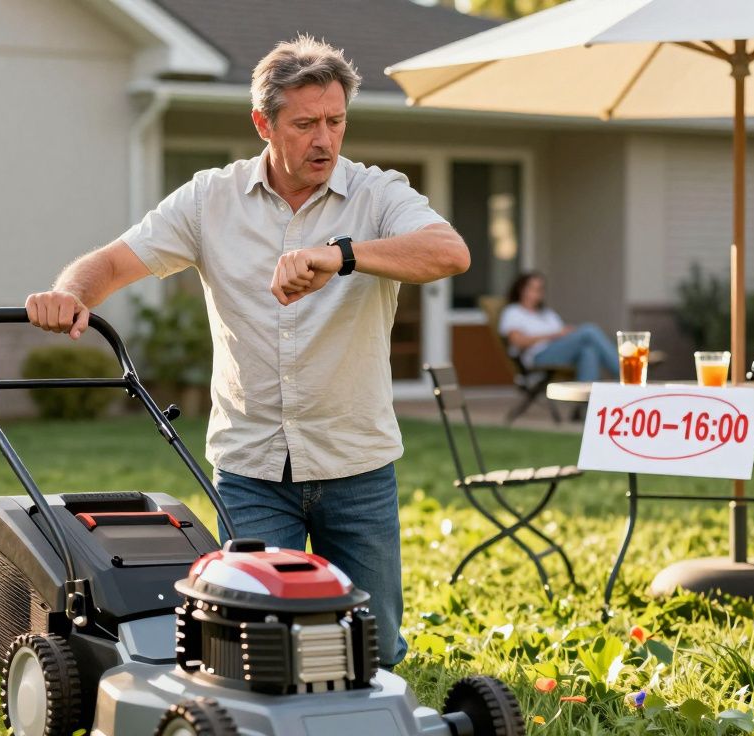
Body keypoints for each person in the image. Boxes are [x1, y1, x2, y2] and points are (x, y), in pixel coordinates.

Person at [23, 36, 469, 666]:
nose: (324, 140)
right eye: (306, 124)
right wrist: (71, 294)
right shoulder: (211, 198)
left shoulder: (379, 194)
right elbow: (114, 261)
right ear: (263, 124)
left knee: (372, 646)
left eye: (336, 121)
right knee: (253, 641)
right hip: (252, 467)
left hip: (356, 463)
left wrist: (340, 254)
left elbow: (449, 252)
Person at [498, 272, 617, 381]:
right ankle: (623, 372)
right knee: (589, 330)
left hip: (559, 349)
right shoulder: (513, 312)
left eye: (540, 289)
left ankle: (587, 396)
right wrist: (553, 335)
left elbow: (562, 334)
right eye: (532, 288)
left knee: (588, 350)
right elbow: (517, 341)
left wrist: (569, 332)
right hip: (538, 356)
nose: (537, 292)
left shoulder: (547, 313)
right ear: (521, 289)